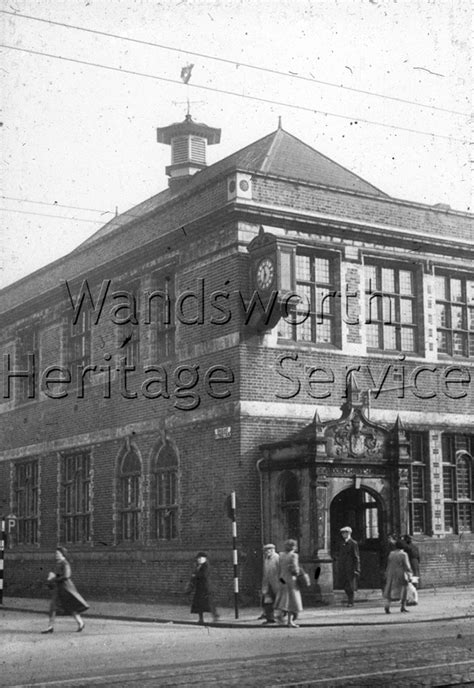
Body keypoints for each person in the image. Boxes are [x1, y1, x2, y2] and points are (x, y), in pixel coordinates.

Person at [41, 546, 89, 633]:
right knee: (53, 607)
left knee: (70, 606)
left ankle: (81, 623)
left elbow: (67, 576)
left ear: (62, 554)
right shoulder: (58, 563)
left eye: (58, 553)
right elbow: (58, 575)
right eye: (56, 553)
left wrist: (54, 578)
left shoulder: (65, 563)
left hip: (66, 588)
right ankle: (50, 627)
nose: (56, 555)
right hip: (59, 588)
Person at [274, 539, 303, 628]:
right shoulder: (294, 556)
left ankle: (280, 616)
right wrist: (299, 572)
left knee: (283, 599)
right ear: (293, 547)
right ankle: (289, 621)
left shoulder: (281, 555)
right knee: (291, 602)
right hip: (291, 580)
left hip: (282, 579)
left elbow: (278, 568)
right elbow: (295, 569)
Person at [187, 552, 219, 625]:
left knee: (209, 603)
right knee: (199, 604)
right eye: (198, 558)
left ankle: (215, 616)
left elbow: (203, 575)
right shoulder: (198, 566)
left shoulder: (206, 566)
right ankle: (201, 619)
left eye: (200, 558)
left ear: (205, 559)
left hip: (206, 588)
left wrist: (195, 575)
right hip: (199, 588)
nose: (199, 559)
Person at [383, 538, 412, 614]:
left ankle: (387, 607)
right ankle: (403, 607)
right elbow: (407, 566)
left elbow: (388, 564)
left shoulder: (391, 554)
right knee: (403, 590)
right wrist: (410, 573)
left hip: (391, 573)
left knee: (389, 591)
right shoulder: (403, 554)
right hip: (400, 573)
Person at [338, 526, 360, 607]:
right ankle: (349, 599)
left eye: (345, 533)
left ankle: (351, 601)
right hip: (343, 567)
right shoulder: (342, 543)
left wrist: (357, 568)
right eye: (343, 533)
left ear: (349, 533)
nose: (343, 534)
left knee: (350, 585)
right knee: (345, 584)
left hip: (350, 567)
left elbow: (356, 557)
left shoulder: (353, 543)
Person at [261, 543, 281, 625]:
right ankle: (270, 618)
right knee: (267, 601)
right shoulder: (266, 559)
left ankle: (283, 616)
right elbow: (266, 572)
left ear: (272, 550)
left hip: (277, 583)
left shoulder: (277, 558)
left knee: (279, 600)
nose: (266, 552)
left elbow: (281, 570)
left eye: (267, 550)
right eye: (265, 550)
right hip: (268, 583)